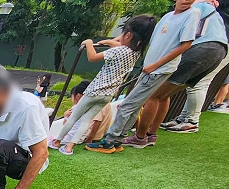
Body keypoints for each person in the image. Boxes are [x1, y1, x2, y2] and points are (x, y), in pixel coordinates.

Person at [88, 0, 201, 152]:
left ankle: (110, 141)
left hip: (158, 70)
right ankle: (118, 139)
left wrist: (156, 65)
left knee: (127, 105)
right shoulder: (168, 17)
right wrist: (114, 41)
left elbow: (186, 44)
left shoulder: (192, 14)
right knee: (133, 106)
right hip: (150, 68)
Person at [51, 20, 151, 153]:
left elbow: (92, 57)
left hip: (95, 90)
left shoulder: (118, 51)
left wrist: (89, 43)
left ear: (128, 35)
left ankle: (57, 141)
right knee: (87, 119)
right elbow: (120, 45)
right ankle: (69, 147)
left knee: (74, 116)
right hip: (108, 95)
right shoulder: (135, 53)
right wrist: (110, 42)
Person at [162, 0, 229, 134]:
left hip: (216, 43)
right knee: (195, 82)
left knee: (200, 83)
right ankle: (184, 119)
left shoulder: (207, 6)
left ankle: (191, 121)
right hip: (219, 43)